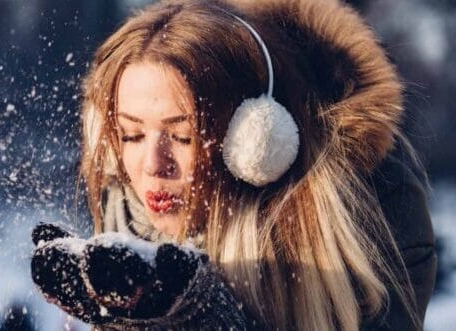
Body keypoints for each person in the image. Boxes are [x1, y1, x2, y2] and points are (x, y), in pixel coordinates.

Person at [31, 0, 437, 330]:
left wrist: (204, 318)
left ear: (256, 140)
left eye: (184, 136)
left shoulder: (371, 212)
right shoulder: (124, 207)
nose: (153, 165)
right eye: (131, 135)